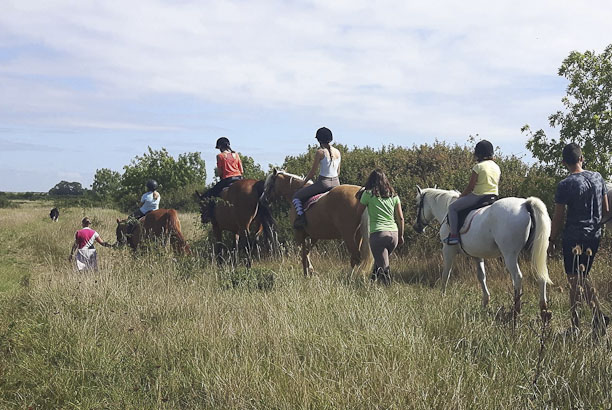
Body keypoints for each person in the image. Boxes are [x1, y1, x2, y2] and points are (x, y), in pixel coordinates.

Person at [549, 143, 609, 334]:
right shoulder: (598, 177)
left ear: (564, 162)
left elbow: (558, 218)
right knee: (582, 278)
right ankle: (598, 317)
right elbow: (606, 209)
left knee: (574, 281)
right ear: (581, 158)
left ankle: (576, 326)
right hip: (595, 235)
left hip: (574, 237)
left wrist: (551, 240)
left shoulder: (565, 185)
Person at [445, 140, 500, 245]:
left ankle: (453, 236)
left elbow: (471, 186)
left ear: (479, 153)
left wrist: (461, 196)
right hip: (493, 196)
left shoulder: (478, 167)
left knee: (452, 208)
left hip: (479, 196)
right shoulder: (496, 167)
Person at [356, 169, 404, 285]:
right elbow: (401, 218)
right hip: (394, 235)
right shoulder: (394, 196)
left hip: (378, 234)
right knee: (379, 262)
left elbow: (358, 213)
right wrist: (401, 235)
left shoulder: (368, 194)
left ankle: (388, 290)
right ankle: (371, 284)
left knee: (384, 268)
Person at [292, 127, 341, 228]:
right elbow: (338, 171)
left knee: (296, 196)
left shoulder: (320, 152)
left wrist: (303, 182)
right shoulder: (338, 152)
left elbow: (312, 173)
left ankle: (301, 218)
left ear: (319, 140)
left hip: (323, 184)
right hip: (336, 183)